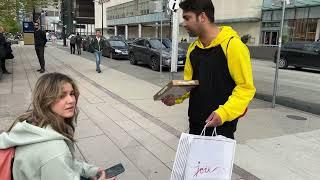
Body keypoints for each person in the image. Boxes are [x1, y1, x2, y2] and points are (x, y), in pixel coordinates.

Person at [162, 0, 256, 139]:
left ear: (202, 17)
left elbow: (245, 88)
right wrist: (175, 97)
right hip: (195, 124)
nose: (184, 23)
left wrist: (223, 113)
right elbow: (191, 83)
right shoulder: (193, 48)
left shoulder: (233, 46)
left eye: (187, 18)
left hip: (221, 129)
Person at [0, 73, 116, 180]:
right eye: (61, 96)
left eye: (72, 94)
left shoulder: (30, 122)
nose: (71, 100)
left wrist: (91, 171)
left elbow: (66, 163)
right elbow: (57, 159)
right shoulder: (55, 150)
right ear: (46, 99)